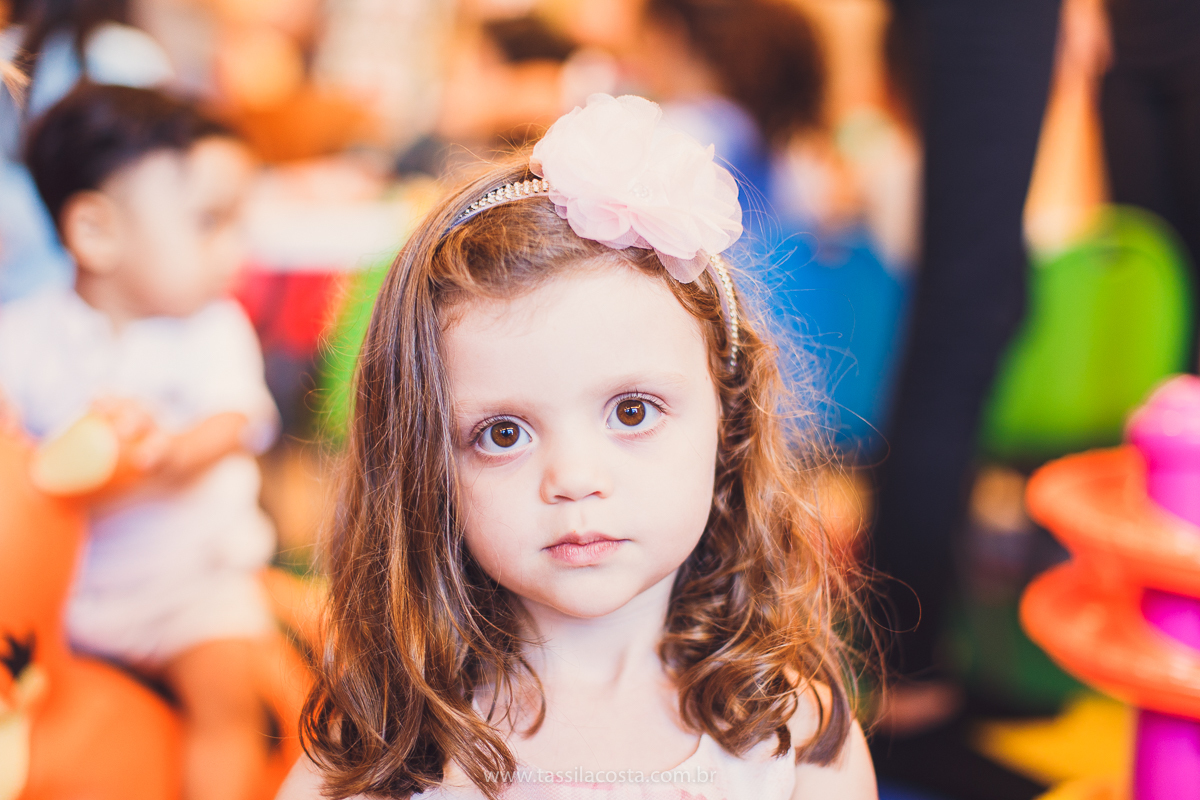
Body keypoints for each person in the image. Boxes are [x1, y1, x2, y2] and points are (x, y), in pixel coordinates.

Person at [277, 94, 876, 799]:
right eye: (503, 434)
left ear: (729, 421)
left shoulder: (791, 729)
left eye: (631, 411)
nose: (575, 477)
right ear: (427, 471)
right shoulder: (394, 743)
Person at [0, 83, 276, 800]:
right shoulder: (25, 336)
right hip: (69, 595)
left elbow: (233, 420)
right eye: (209, 222)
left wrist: (171, 449)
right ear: (95, 232)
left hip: (186, 589)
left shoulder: (212, 329)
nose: (235, 249)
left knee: (226, 707)